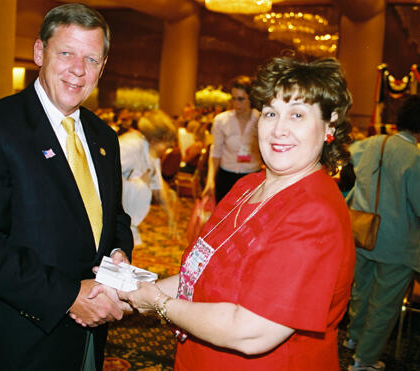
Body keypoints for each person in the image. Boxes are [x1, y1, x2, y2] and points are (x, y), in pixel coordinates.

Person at [108, 57, 356, 369]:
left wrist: (157, 302)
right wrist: (130, 290)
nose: (279, 129)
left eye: (297, 115)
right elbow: (196, 275)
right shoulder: (247, 187)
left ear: (328, 126)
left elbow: (252, 332)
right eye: (270, 113)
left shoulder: (314, 212)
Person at [0, 4, 133, 370]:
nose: (78, 70)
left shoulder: (104, 137)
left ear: (103, 66)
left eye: (91, 59)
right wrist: (66, 296)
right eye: (66, 53)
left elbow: (115, 218)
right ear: (39, 53)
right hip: (22, 340)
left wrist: (119, 255)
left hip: (91, 334)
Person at [344, 95, 420, 371]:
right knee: (385, 303)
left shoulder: (369, 144)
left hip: (364, 233)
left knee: (361, 291)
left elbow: (348, 163)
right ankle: (364, 360)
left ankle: (353, 340)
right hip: (397, 241)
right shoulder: (418, 158)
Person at [118, 109, 178, 246]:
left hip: (124, 214)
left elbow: (158, 187)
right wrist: (136, 185)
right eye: (166, 144)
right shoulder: (131, 146)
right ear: (155, 139)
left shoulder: (151, 152)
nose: (166, 149)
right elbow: (104, 177)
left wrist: (171, 217)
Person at [202, 75, 263, 203]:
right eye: (234, 99)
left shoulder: (260, 120)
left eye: (241, 99)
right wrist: (210, 180)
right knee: (223, 219)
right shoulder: (221, 120)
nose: (236, 104)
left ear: (250, 99)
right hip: (226, 177)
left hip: (252, 176)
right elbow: (215, 152)